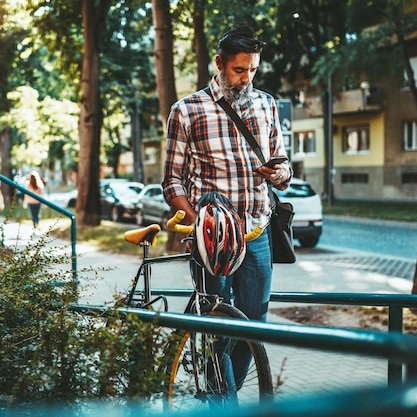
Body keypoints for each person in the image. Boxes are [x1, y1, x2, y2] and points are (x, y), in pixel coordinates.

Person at [161, 23, 292, 387]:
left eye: (252, 69)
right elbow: (171, 180)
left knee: (254, 326)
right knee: (217, 326)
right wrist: (195, 219)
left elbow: (285, 165)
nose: (246, 77)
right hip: (212, 239)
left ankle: (223, 389)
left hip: (257, 231)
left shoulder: (267, 104)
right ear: (219, 63)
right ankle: (225, 401)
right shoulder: (186, 110)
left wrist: (278, 173)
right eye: (239, 70)